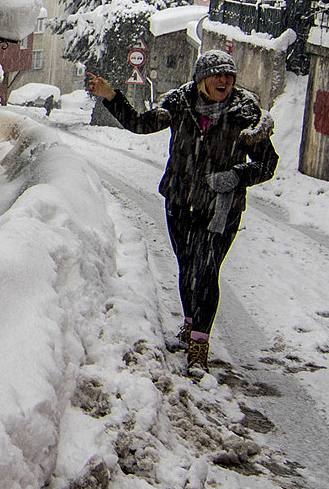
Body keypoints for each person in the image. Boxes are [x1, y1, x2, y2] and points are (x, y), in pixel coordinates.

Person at [85, 50, 277, 370]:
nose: (224, 81)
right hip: (179, 202)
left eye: (228, 75)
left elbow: (268, 163)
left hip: (220, 209)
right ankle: (190, 327)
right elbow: (139, 124)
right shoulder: (180, 103)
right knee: (187, 268)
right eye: (217, 75)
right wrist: (111, 96)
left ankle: (199, 345)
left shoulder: (244, 112)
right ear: (202, 78)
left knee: (206, 272)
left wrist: (236, 176)